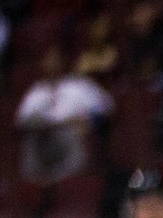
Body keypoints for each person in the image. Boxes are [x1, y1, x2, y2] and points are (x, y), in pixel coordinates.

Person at [15, 47, 113, 184]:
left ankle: (58, 184)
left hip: (71, 135)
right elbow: (22, 122)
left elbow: (107, 108)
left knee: (70, 137)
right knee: (32, 133)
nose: (51, 63)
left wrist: (89, 121)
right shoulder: (36, 91)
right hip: (44, 139)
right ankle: (34, 185)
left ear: (63, 61)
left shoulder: (79, 85)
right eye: (48, 60)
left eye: (55, 59)